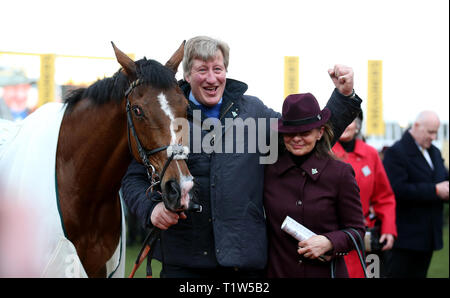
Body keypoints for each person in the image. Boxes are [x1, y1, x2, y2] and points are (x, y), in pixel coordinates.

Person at [121, 35, 363, 278]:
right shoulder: (167, 117)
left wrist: (343, 96)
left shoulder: (255, 113)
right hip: (184, 264)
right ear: (186, 76)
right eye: (202, 70)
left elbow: (306, 137)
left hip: (245, 264)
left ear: (226, 71)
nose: (211, 78)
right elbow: (133, 178)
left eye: (217, 68)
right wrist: (151, 209)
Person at [264, 93, 365, 278]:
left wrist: (329, 242)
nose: (296, 139)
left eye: (304, 133)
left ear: (320, 132)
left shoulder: (340, 173)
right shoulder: (268, 171)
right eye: (290, 132)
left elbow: (357, 230)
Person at [382, 111, 449, 278]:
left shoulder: (434, 151)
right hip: (405, 239)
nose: (434, 137)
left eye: (436, 132)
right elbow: (396, 190)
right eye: (430, 132)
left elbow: (443, 179)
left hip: (428, 237)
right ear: (417, 126)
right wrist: (434, 190)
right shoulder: (396, 152)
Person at [332, 112, 397, 278]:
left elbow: (384, 196)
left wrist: (388, 229)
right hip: (335, 236)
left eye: (350, 120)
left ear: (358, 125)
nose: (345, 124)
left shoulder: (371, 154)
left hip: (365, 238)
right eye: (342, 119)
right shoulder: (326, 153)